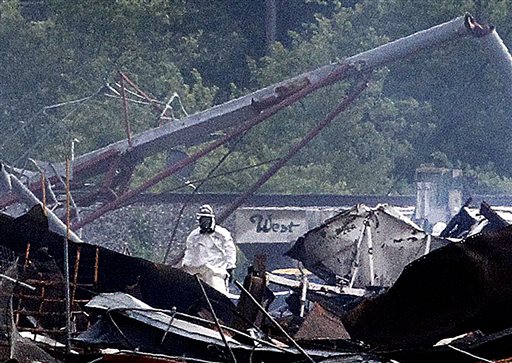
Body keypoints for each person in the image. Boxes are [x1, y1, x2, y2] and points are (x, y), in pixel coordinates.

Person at [180, 204, 236, 295]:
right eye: (202, 219)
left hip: (217, 271)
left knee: (218, 294)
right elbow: (190, 252)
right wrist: (185, 265)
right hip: (199, 271)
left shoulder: (222, 234)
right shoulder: (194, 235)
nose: (204, 222)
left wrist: (230, 267)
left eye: (206, 219)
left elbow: (230, 250)